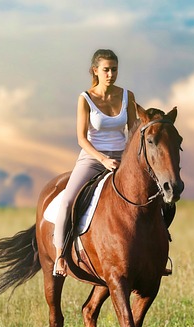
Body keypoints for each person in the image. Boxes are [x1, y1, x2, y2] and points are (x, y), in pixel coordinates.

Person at [53, 49, 137, 276]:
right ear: (95, 71)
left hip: (122, 156)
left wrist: (129, 158)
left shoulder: (127, 96)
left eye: (114, 69)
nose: (111, 74)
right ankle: (60, 255)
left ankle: (157, 252)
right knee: (69, 200)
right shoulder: (86, 98)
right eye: (106, 69)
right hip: (93, 158)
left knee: (156, 197)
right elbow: (81, 138)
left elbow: (134, 131)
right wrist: (103, 159)